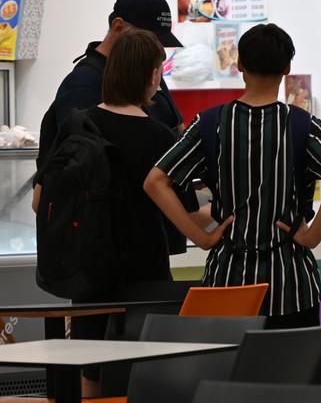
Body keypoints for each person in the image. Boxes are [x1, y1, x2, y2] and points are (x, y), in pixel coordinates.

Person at [144, 23, 321, 329]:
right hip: (292, 283)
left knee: (228, 374)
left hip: (228, 280)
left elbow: (155, 181)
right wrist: (313, 235)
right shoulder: (301, 124)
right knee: (293, 373)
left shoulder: (210, 123)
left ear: (239, 64)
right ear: (287, 67)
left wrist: (200, 237)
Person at [33, 29, 199, 397]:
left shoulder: (78, 125)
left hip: (88, 271)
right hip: (145, 273)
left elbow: (38, 202)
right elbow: (186, 212)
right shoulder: (160, 137)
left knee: (90, 377)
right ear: (151, 75)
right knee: (143, 379)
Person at [37, 0, 185, 171]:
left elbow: (177, 126)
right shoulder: (83, 85)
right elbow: (80, 162)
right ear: (118, 27)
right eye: (148, 39)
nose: (155, 49)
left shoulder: (148, 69)